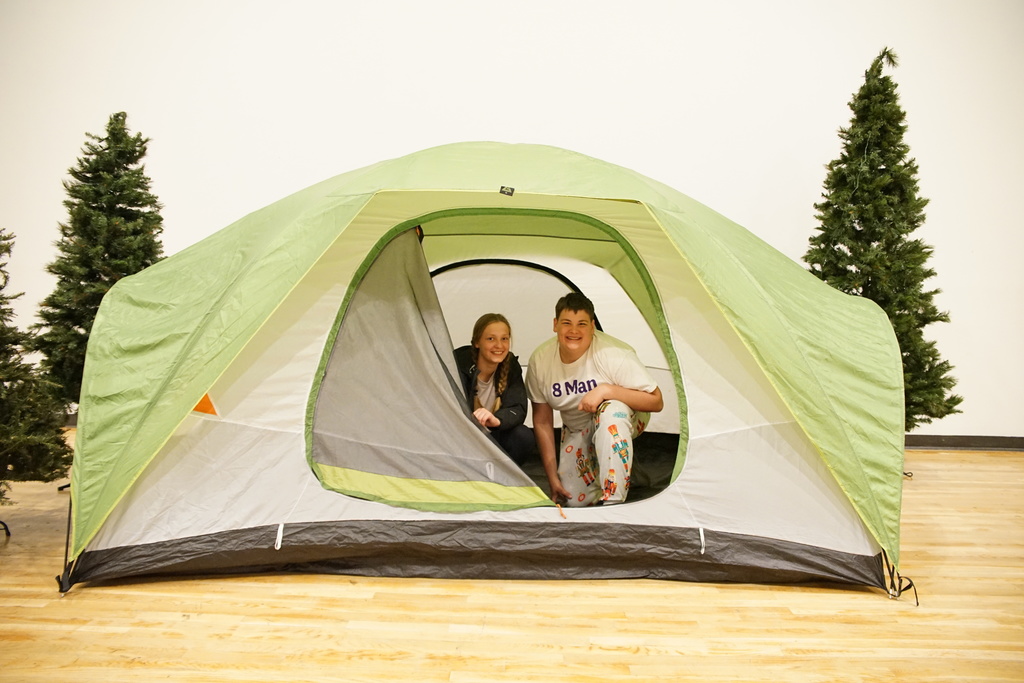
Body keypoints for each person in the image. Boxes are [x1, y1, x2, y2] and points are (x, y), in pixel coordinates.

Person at [526, 292, 663, 506]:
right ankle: (627, 471)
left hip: (624, 416)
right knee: (573, 501)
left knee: (610, 416)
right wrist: (552, 477)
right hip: (577, 429)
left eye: (581, 324)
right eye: (566, 323)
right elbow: (542, 421)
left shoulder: (614, 354)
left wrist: (607, 390)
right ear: (555, 325)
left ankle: (613, 503)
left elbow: (656, 401)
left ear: (592, 326)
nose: (573, 331)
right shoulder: (540, 360)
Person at [454, 313, 535, 466]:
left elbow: (517, 408)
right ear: (477, 342)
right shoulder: (458, 366)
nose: (499, 345)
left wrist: (496, 420)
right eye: (491, 339)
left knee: (522, 436)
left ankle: (504, 482)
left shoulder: (510, 365)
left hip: (493, 437)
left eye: (504, 339)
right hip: (462, 438)